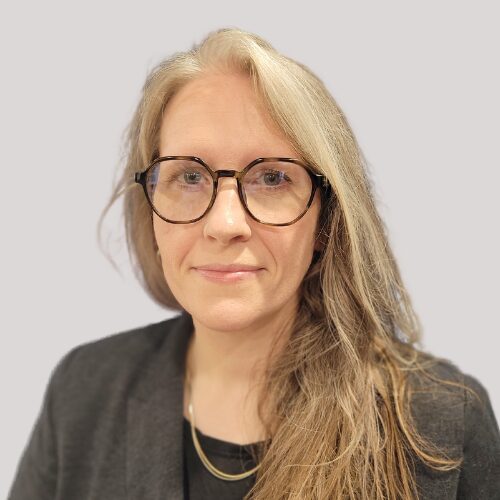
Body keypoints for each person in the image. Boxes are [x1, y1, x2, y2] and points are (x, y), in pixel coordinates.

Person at [8, 27, 500, 500]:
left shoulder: (442, 421)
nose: (224, 224)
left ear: (327, 218)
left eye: (271, 178)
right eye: (188, 176)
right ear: (150, 209)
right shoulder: (83, 391)